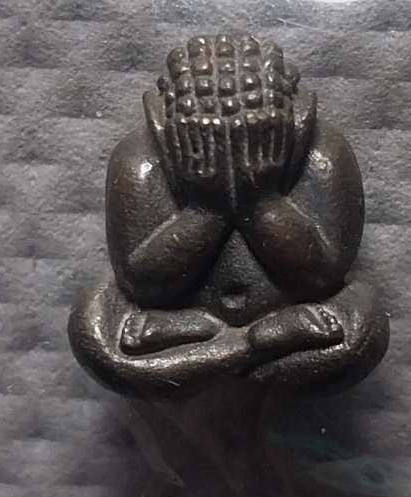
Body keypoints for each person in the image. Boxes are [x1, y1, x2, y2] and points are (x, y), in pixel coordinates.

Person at [68, 34, 388, 396]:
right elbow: (142, 282)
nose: (233, 157)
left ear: (294, 120)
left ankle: (219, 348)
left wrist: (261, 200)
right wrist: (205, 208)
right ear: (166, 127)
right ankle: (251, 347)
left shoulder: (323, 155)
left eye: (258, 137)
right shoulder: (139, 161)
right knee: (91, 328)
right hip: (212, 322)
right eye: (201, 140)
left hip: (268, 319)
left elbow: (321, 277)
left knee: (365, 326)